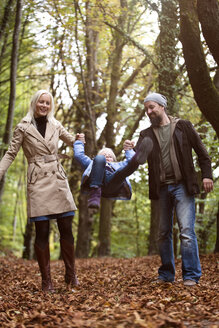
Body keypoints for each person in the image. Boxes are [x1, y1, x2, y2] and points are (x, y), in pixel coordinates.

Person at [124, 92, 214, 286]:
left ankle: (191, 275)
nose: (148, 112)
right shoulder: (146, 135)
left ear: (162, 106)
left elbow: (202, 153)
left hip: (183, 186)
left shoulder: (183, 126)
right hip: (162, 189)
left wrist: (207, 175)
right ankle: (166, 275)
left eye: (152, 107)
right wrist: (130, 148)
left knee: (187, 231)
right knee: (163, 233)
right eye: (146, 109)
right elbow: (137, 161)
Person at [0, 90, 84, 292]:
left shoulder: (55, 124)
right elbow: (11, 153)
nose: (44, 105)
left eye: (47, 103)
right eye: (41, 102)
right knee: (42, 231)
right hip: (37, 179)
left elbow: (72, 141)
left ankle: (71, 273)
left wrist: (79, 139)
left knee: (66, 228)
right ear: (34, 103)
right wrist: (0, 171)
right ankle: (47, 281)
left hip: (57, 178)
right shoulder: (23, 127)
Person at [73, 136, 153, 208]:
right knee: (100, 159)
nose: (107, 156)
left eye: (110, 156)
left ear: (114, 160)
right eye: (104, 155)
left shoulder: (118, 165)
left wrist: (128, 150)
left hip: (113, 182)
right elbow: (79, 155)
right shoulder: (92, 164)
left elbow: (129, 161)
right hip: (97, 181)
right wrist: (79, 142)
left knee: (124, 170)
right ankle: (95, 194)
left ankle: (137, 159)